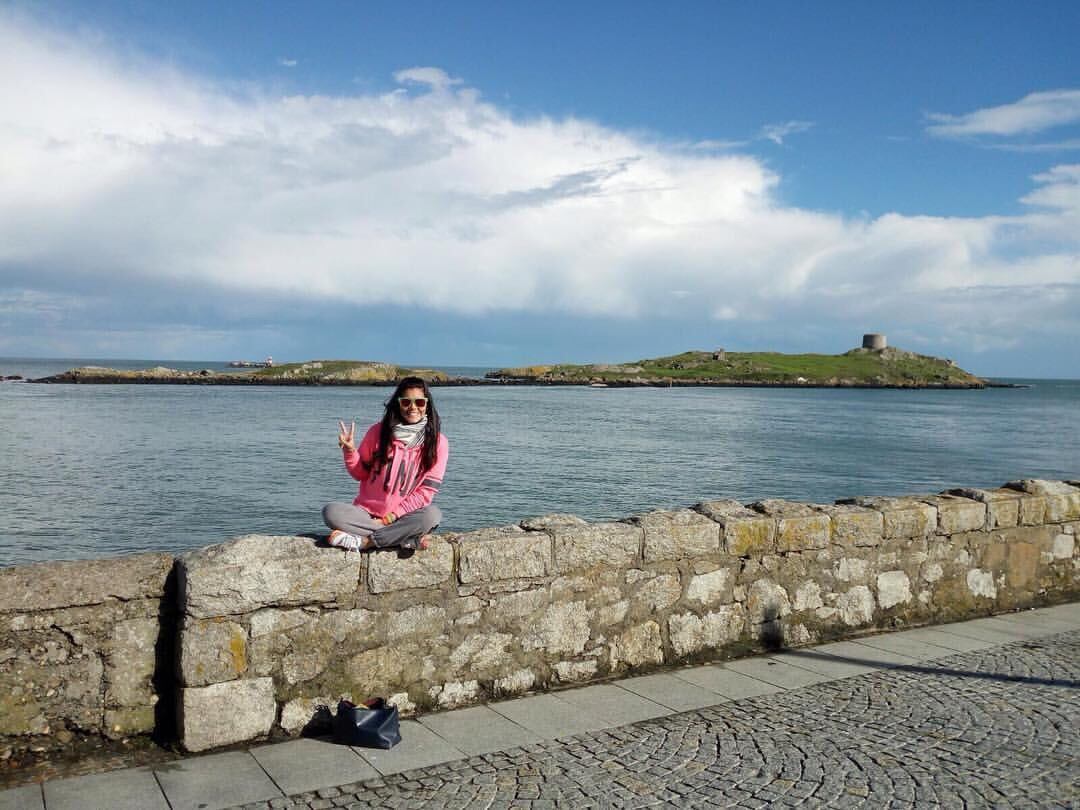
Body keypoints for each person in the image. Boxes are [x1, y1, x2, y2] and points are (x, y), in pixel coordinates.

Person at [322, 376, 448, 552]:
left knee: (432, 515)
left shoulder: (438, 443)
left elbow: (425, 493)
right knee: (331, 512)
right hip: (366, 515)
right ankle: (403, 538)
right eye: (406, 402)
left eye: (419, 402)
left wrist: (389, 519)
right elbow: (360, 474)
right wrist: (350, 451)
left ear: (427, 405)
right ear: (398, 404)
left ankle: (366, 542)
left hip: (404, 516)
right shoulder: (377, 432)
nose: (413, 407)